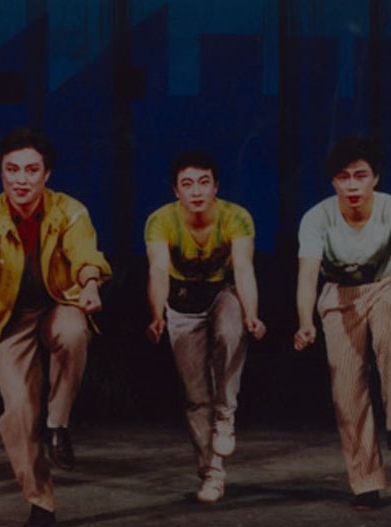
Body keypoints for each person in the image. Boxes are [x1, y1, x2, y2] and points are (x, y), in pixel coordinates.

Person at [0, 128, 111, 527]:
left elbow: (85, 255)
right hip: (10, 315)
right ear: (1, 173)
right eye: (12, 170)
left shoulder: (70, 210)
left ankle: (58, 424)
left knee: (73, 332)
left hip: (60, 301)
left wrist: (90, 285)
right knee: (19, 411)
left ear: (46, 174)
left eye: (31, 170)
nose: (21, 179)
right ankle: (41, 503)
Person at [294, 137, 391, 510]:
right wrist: (305, 322)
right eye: (343, 177)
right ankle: (365, 482)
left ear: (375, 178)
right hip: (340, 295)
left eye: (360, 175)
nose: (352, 185)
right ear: (333, 182)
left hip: (386, 285)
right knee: (347, 391)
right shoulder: (316, 218)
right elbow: (307, 275)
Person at [144, 151, 266, 504]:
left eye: (203, 182)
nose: (196, 191)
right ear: (176, 190)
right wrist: (156, 315)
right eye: (187, 184)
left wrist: (252, 314)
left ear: (216, 186)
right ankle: (212, 473)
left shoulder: (236, 217)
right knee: (196, 397)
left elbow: (243, 268)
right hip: (181, 301)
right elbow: (158, 270)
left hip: (222, 292)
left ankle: (226, 414)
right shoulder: (160, 220)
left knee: (231, 330)